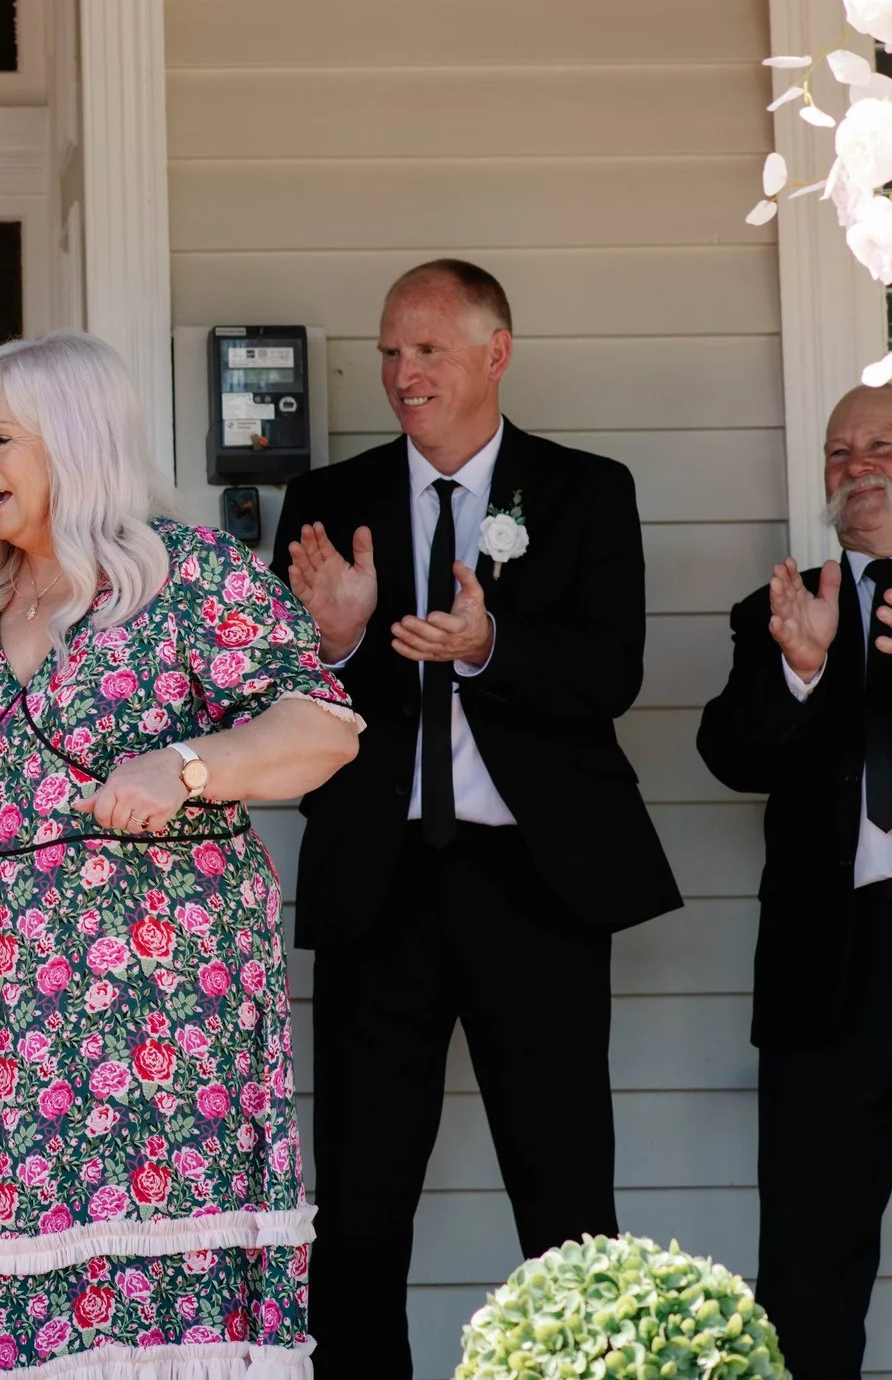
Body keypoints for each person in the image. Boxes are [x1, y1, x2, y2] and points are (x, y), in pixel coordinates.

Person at [0, 331, 359, 1380]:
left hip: (166, 994)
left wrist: (187, 765)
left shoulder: (187, 574)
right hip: (7, 997)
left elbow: (324, 728)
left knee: (154, 1287)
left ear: (72, 441)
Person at [270, 259, 681, 1378]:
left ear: (495, 352)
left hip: (535, 887)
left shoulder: (586, 489)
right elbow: (285, 707)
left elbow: (609, 672)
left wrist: (487, 647)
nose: (403, 374)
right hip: (377, 883)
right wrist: (343, 642)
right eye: (390, 351)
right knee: (356, 1209)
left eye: (429, 350)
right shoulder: (325, 505)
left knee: (564, 1196)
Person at [698, 383, 892, 1379]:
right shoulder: (775, 611)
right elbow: (730, 752)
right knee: (810, 1276)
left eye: (880, 443)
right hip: (833, 976)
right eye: (837, 449)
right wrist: (801, 670)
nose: (855, 463)